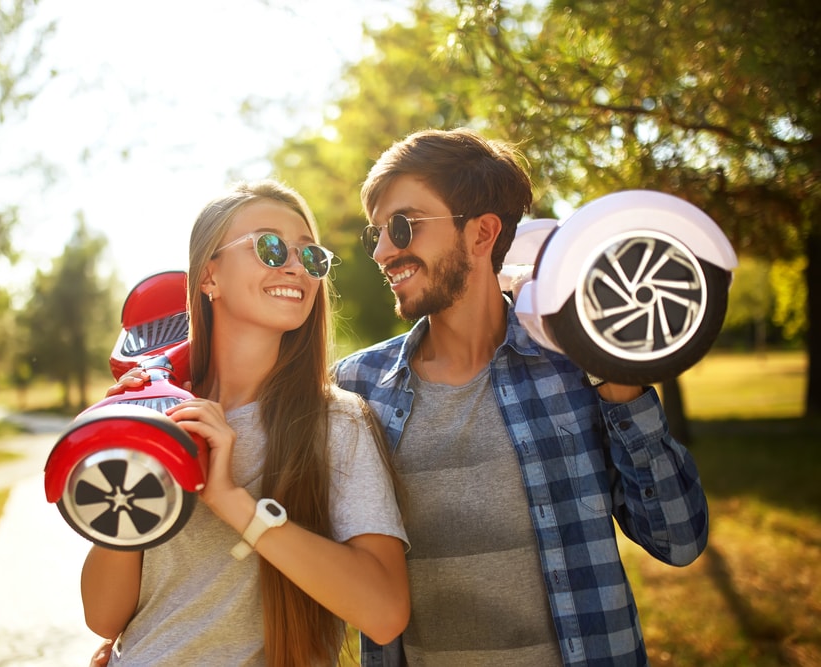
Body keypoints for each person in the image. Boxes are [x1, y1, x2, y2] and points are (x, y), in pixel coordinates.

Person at [332, 128, 709, 666]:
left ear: (482, 233)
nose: (384, 251)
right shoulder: (355, 388)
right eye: (377, 235)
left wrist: (618, 380)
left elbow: (679, 539)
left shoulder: (578, 367)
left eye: (402, 226)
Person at [83, 180, 410, 666]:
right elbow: (104, 618)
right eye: (271, 247)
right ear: (208, 276)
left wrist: (234, 502)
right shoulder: (158, 416)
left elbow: (384, 613)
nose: (297, 266)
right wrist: (131, 451)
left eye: (310, 255)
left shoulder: (336, 423)